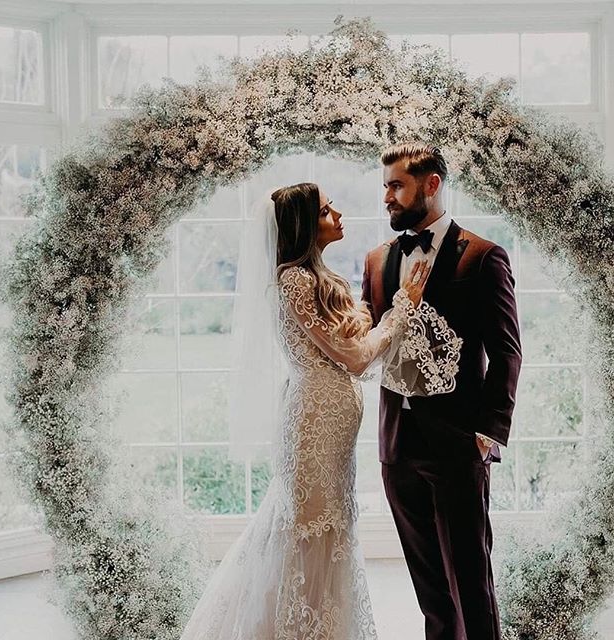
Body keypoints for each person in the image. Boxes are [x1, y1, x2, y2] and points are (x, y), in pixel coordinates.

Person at [180, 181, 461, 640]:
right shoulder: (294, 280)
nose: (338, 215)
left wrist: (379, 314)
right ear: (307, 226)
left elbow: (349, 339)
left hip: (331, 427)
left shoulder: (318, 277)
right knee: (312, 528)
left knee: (330, 526)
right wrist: (402, 308)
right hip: (313, 425)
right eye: (328, 211)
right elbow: (353, 356)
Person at [362, 143, 522, 640]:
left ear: (430, 185)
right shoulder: (375, 261)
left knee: (472, 586)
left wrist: (486, 433)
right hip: (397, 448)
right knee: (430, 593)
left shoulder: (482, 257)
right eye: (385, 185)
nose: (386, 196)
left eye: (396, 185)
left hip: (457, 446)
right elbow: (370, 341)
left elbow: (507, 351)